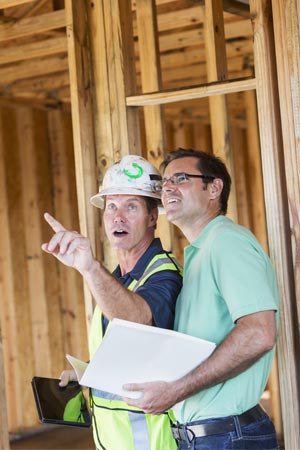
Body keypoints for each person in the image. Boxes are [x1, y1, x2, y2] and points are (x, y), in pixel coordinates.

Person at [123, 148, 280, 450]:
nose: (168, 187)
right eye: (165, 182)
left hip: (228, 437)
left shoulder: (227, 242)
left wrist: (177, 390)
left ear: (214, 188)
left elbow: (259, 333)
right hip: (210, 437)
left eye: (180, 178)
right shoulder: (199, 254)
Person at [42, 155, 183, 450]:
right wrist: (88, 372)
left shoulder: (165, 275)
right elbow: (132, 356)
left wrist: (89, 266)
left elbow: (137, 323)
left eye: (131, 206)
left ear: (152, 217)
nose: (118, 217)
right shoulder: (116, 280)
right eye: (111, 207)